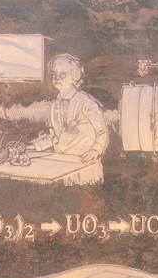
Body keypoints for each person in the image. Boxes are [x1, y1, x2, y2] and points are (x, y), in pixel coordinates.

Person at [29, 53, 109, 185]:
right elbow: (55, 137)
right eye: (54, 75)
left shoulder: (86, 102)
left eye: (62, 75)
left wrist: (95, 150)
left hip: (84, 165)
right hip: (62, 165)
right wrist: (34, 146)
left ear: (74, 77)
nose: (56, 78)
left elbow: (102, 132)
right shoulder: (54, 105)